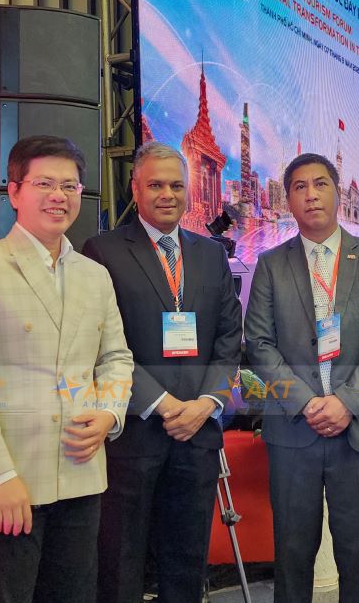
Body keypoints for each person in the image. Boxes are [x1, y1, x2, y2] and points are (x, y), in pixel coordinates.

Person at [0, 135, 134, 603]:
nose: (58, 196)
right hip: (10, 481)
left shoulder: (95, 275)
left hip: (81, 475)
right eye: (44, 183)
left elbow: (116, 358)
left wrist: (109, 413)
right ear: (14, 191)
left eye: (69, 186)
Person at [83, 143, 243, 603]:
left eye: (176, 185)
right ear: (135, 189)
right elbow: (101, 344)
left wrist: (207, 404)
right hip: (133, 433)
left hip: (198, 432)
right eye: (155, 185)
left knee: (187, 562)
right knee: (120, 561)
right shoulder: (103, 251)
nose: (167, 194)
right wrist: (163, 403)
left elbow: (229, 337)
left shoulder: (211, 254)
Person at [244, 152, 359, 603]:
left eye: (320, 184)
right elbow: (259, 343)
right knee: (293, 553)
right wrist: (306, 402)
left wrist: (346, 401)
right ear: (288, 200)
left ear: (337, 192)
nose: (311, 194)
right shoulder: (270, 264)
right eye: (299, 187)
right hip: (294, 428)